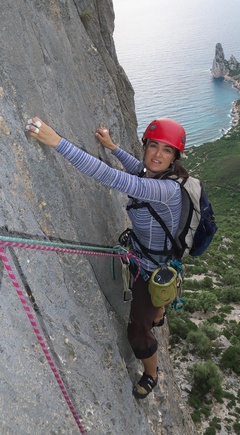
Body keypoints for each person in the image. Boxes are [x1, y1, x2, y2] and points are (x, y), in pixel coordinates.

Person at [25, 116, 189, 399]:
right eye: (153, 146)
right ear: (146, 146)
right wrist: (113, 147)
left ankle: (151, 373)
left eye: (166, 150)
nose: (157, 155)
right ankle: (160, 311)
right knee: (156, 306)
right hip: (149, 257)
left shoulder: (165, 189)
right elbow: (136, 167)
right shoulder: (156, 174)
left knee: (138, 330)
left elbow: (112, 177)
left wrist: (57, 142)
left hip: (152, 269)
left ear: (174, 157)